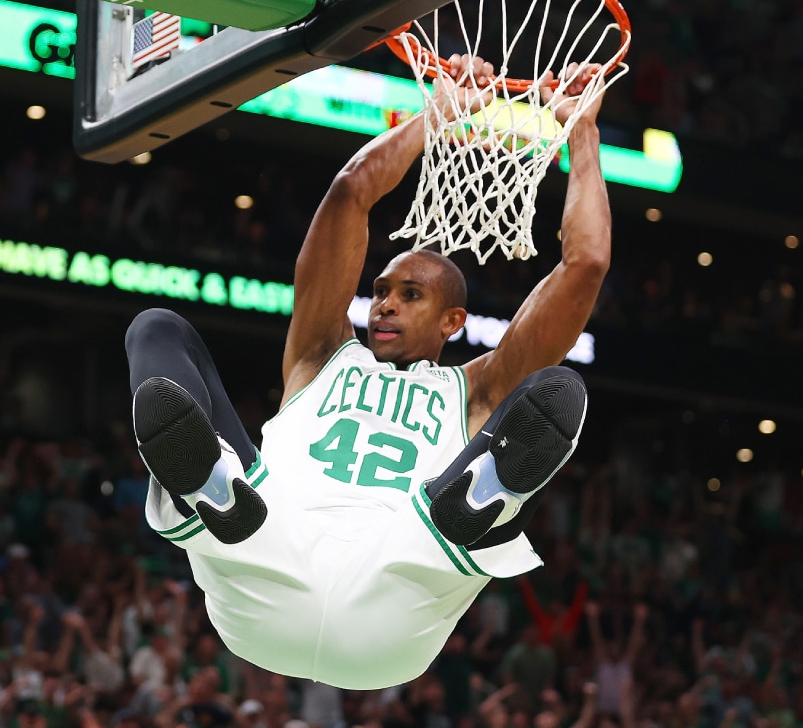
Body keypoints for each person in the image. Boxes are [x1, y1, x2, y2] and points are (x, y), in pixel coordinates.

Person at [125, 57, 610, 690]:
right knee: (158, 329)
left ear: (453, 321)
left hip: (398, 572)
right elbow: (352, 190)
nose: (383, 303)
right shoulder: (320, 353)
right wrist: (433, 114)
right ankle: (215, 483)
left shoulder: (477, 389)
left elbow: (587, 264)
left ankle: (475, 498)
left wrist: (582, 132)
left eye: (411, 295)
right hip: (264, 542)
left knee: (554, 391)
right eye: (380, 290)